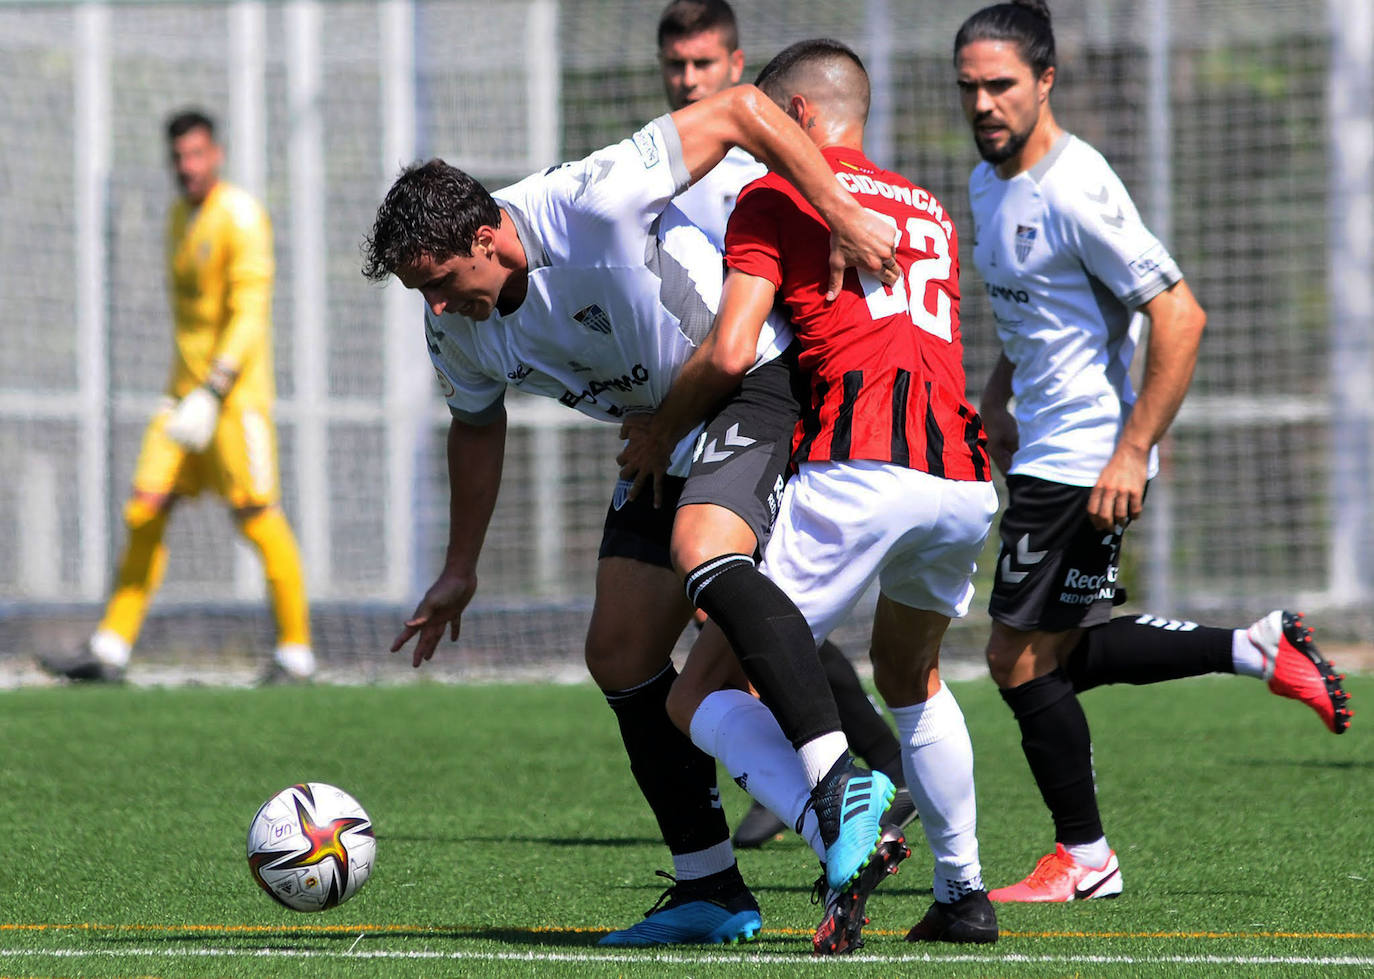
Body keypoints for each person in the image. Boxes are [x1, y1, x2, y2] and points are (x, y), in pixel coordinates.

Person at [362, 84, 899, 945]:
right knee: (617, 650)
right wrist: (461, 565)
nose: (434, 306)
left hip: (746, 382)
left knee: (704, 552)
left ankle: (839, 780)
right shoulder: (454, 325)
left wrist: (834, 209)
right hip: (659, 431)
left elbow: (742, 108)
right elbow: (475, 423)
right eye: (417, 292)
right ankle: (710, 887)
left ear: (486, 236)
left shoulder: (592, 198)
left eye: (440, 281)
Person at [952, 0, 1352, 903]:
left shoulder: (1076, 185)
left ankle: (1085, 858)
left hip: (1087, 455)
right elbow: (1033, 312)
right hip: (1044, 444)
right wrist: (998, 397)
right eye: (969, 87)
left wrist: (1131, 450)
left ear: (1045, 80)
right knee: (1058, 647)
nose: (983, 104)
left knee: (1016, 656)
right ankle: (1256, 647)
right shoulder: (988, 181)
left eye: (1002, 85)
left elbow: (1180, 312)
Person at [620, 38, 1001, 954]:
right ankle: (964, 892)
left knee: (695, 688)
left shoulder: (774, 192)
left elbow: (730, 346)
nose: (748, 145)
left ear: (793, 118)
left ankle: (837, 806)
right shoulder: (927, 207)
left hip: (861, 467)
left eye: (761, 125)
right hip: (959, 475)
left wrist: (660, 433)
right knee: (912, 676)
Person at [656, 0, 917, 851]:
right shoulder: (675, 162)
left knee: (731, 600)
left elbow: (754, 320)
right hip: (718, 396)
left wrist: (835, 209)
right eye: (677, 67)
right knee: (752, 608)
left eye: (704, 67)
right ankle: (856, 775)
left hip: (777, 397)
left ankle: (844, 777)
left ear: (739, 70)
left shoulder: (776, 171)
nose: (688, 81)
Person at [40, 109, 315, 685]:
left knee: (258, 518)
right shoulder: (175, 219)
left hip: (234, 401)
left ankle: (295, 652)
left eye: (197, 154)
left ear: (217, 154)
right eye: (179, 157)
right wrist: (189, 394)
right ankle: (111, 648)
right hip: (180, 399)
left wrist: (215, 389)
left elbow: (249, 314)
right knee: (144, 509)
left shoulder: (240, 216)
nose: (187, 167)